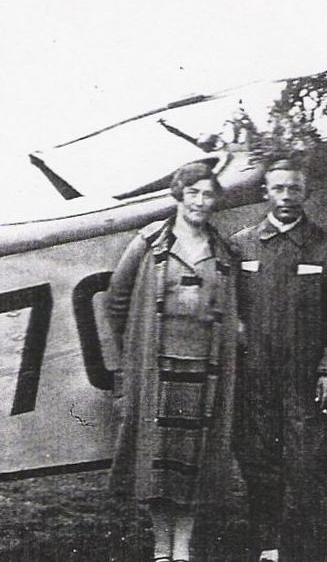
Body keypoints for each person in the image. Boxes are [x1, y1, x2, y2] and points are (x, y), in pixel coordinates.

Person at [106, 161, 238, 562]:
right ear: (179, 195)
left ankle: (183, 547)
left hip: (204, 368)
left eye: (208, 194)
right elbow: (117, 299)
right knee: (158, 461)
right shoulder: (148, 243)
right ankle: (162, 546)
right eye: (193, 192)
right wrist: (136, 348)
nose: (200, 201)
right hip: (158, 370)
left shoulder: (223, 249)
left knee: (193, 460)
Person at [231, 157, 327, 562]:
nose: (286, 196)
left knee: (307, 469)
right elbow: (228, 311)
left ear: (307, 193)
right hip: (255, 382)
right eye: (279, 188)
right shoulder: (241, 245)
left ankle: (306, 550)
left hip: (307, 383)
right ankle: (268, 548)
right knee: (259, 466)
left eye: (295, 189)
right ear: (265, 192)